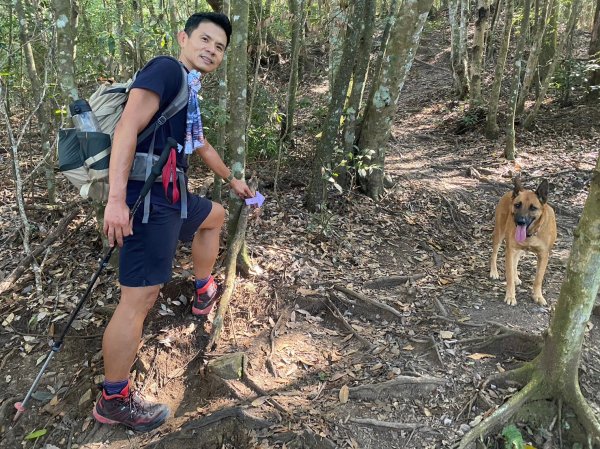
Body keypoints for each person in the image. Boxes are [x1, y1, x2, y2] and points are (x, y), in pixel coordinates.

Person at [92, 12, 253, 432]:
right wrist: (115, 201)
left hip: (171, 197)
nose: (211, 51)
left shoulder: (187, 88)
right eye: (205, 40)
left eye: (219, 48)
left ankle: (203, 289)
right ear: (183, 37)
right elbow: (128, 126)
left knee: (213, 217)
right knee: (139, 300)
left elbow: (200, 145)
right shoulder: (165, 70)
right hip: (145, 202)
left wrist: (232, 180)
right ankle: (113, 399)